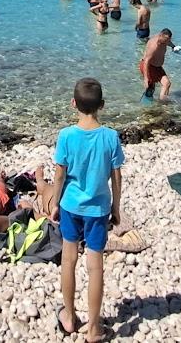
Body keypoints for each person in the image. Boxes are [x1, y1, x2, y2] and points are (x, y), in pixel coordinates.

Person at [50, 78, 124, 343]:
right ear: (102, 105)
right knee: (95, 268)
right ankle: (93, 328)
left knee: (68, 261)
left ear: (73, 104)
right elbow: (116, 176)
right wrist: (116, 207)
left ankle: (69, 317)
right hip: (98, 209)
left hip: (70, 205)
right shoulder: (110, 137)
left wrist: (55, 203)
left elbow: (60, 174)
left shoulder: (66, 136)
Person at [140, 29, 174, 101]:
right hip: (149, 66)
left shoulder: (165, 41)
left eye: (168, 40)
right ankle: (155, 103)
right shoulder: (154, 46)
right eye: (165, 40)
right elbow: (146, 61)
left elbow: (169, 43)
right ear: (160, 35)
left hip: (157, 67)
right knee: (150, 88)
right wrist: (146, 79)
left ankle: (162, 102)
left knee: (167, 83)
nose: (166, 42)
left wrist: (174, 47)